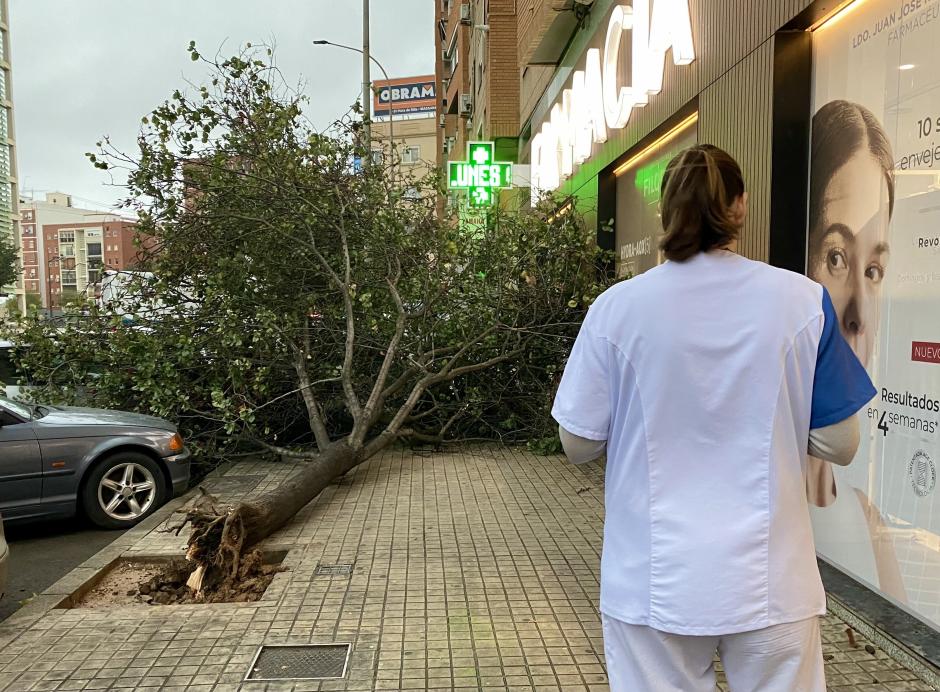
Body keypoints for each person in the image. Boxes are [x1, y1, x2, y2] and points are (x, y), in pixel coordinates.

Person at [552, 144, 875, 691]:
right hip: (773, 578)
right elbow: (841, 443)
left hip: (652, 580)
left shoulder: (617, 308)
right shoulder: (801, 301)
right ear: (741, 208)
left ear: (665, 211)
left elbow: (578, 442)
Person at [805, 100, 907, 604]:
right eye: (837, 257)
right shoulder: (764, 505)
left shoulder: (869, 528)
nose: (859, 314)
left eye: (874, 271)